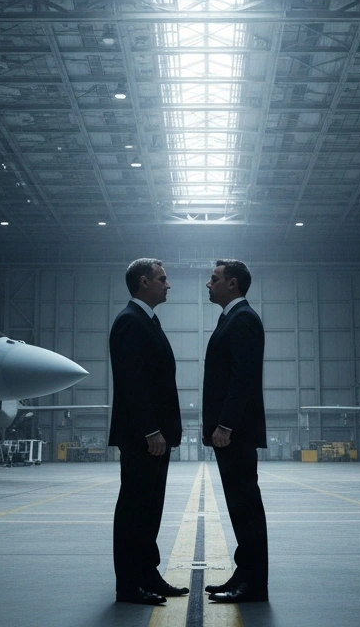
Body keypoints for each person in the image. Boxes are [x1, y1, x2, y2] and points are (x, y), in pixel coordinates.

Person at [109, 258, 187, 605]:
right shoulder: (130, 321)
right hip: (144, 437)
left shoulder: (147, 321)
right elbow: (133, 384)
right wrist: (151, 431)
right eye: (162, 278)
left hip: (156, 437)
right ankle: (128, 585)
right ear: (144, 282)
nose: (167, 284)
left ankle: (147, 574)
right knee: (134, 509)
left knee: (150, 509)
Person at [201, 258, 269, 603]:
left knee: (246, 508)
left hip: (236, 432)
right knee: (240, 509)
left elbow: (242, 377)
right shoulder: (231, 318)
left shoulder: (243, 319)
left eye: (214, 278)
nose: (208, 283)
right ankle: (244, 574)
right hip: (231, 432)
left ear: (232, 284)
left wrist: (225, 425)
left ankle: (254, 584)